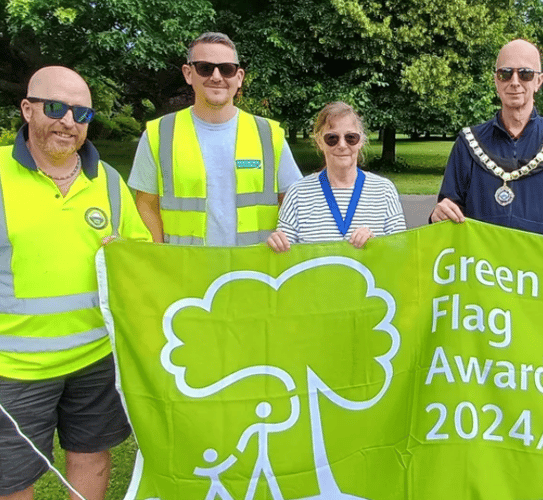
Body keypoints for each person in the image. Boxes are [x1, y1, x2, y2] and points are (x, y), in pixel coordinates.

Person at [0, 66, 151, 500]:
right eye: (55, 108)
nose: (68, 121)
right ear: (28, 109)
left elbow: (139, 257)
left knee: (92, 457)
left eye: (81, 113)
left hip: (94, 359)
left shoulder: (108, 181)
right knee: (11, 479)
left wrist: (124, 249)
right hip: (15, 368)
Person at [129, 32, 302, 246]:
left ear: (239, 77)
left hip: (252, 272)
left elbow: (294, 203)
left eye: (227, 69)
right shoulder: (159, 134)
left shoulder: (269, 135)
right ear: (188, 73)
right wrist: (161, 259)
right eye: (205, 68)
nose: (217, 77)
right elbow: (146, 205)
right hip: (185, 272)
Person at [430, 39, 543, 240]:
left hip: (542, 267)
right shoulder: (467, 142)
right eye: (505, 74)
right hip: (482, 267)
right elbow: (447, 215)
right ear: (496, 81)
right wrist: (439, 215)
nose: (514, 82)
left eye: (525, 74)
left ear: (539, 81)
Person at [267, 102, 405, 252]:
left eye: (350, 137)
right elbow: (285, 255)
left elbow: (402, 250)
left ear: (361, 141)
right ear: (319, 142)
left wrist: (376, 245)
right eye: (332, 138)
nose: (342, 145)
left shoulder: (384, 191)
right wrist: (277, 243)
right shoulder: (298, 193)